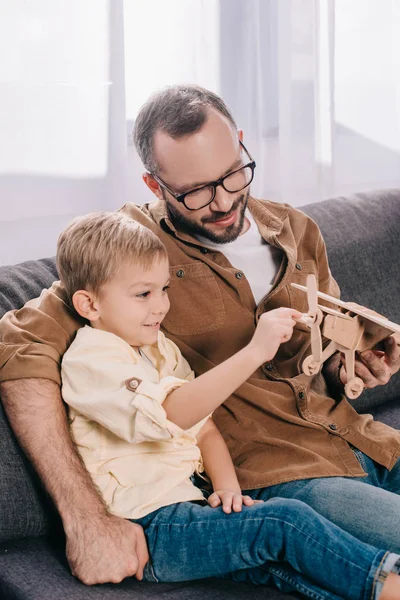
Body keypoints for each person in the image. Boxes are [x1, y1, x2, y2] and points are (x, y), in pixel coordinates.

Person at [0, 85, 400, 587]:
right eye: (195, 192)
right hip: (287, 472)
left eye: (233, 175)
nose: (224, 202)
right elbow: (19, 350)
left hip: (366, 437)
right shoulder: (128, 256)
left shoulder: (298, 230)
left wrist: (351, 366)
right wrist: (85, 519)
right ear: (154, 183)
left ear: (239, 142)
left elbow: (320, 353)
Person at [57, 209, 400, 599]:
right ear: (88, 305)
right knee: (284, 523)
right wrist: (254, 352)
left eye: (165, 289)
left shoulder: (159, 350)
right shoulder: (92, 358)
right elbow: (169, 415)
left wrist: (229, 489)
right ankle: (387, 586)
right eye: (143, 294)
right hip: (148, 524)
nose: (161, 307)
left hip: (194, 507)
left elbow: (204, 427)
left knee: (284, 567)